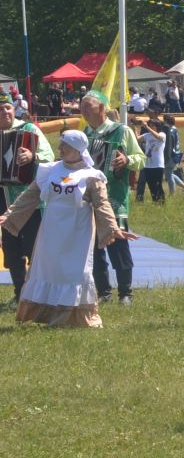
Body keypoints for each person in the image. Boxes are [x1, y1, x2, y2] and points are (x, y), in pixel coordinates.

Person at [2, 130, 130, 327]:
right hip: (51, 230)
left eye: (65, 146)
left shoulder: (91, 176)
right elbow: (30, 195)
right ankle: (47, 314)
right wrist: (9, 216)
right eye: (61, 145)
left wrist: (113, 229)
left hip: (77, 231)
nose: (60, 149)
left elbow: (102, 205)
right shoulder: (50, 170)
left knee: (75, 271)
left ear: (78, 150)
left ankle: (75, 317)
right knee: (49, 270)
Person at [80, 92, 142, 305]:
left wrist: (127, 159)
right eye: (82, 107)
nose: (83, 111)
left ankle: (126, 293)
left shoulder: (121, 131)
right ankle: (103, 291)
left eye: (88, 106)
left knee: (118, 244)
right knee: (95, 247)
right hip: (88, 199)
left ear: (101, 109)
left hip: (114, 197)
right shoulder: (85, 134)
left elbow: (141, 157)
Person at [0, 101, 54, 305]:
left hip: (30, 199)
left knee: (34, 247)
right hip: (3, 198)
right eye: (0, 108)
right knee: (11, 250)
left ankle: (38, 295)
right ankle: (19, 293)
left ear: (14, 110)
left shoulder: (28, 129)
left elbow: (49, 156)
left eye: (7, 107)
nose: (4, 111)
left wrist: (33, 156)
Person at [137, 120, 167, 205]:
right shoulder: (147, 135)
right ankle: (155, 200)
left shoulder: (162, 134)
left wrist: (147, 127)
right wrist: (134, 128)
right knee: (151, 184)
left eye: (153, 125)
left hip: (158, 165)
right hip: (148, 165)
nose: (151, 126)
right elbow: (137, 139)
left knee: (158, 184)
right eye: (150, 125)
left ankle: (161, 202)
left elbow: (157, 137)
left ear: (157, 126)